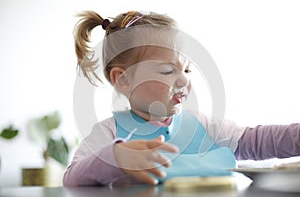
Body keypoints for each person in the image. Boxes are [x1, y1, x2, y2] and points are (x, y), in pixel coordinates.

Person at [63, 10, 300, 187]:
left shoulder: (204, 126)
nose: (184, 81)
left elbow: (256, 141)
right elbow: (71, 179)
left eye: (187, 70)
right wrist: (115, 157)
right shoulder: (109, 133)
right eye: (168, 71)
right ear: (123, 80)